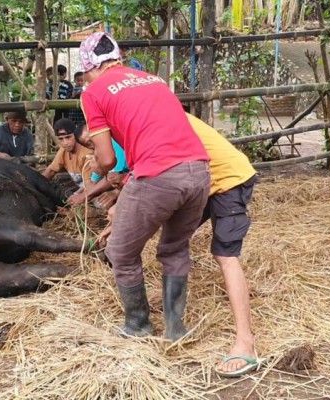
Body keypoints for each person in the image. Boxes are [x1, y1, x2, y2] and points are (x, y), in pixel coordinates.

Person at [91, 113, 259, 378]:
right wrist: (119, 221)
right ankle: (173, 328)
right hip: (196, 181)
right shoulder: (147, 117)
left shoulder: (146, 121)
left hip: (227, 179)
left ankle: (245, 342)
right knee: (171, 245)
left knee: (224, 255)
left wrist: (119, 214)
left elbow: (148, 181)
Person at [79, 32, 211, 342]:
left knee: (121, 252)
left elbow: (109, 160)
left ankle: (138, 325)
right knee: (175, 248)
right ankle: (176, 329)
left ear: (90, 67)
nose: (85, 78)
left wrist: (95, 168)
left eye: (85, 73)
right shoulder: (152, 79)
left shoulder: (93, 92)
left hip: (158, 174)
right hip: (199, 171)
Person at [42, 119, 93, 196]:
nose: (65, 143)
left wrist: (76, 196)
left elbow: (89, 186)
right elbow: (51, 171)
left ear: (75, 135)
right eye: (61, 139)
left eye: (68, 137)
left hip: (93, 191)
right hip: (81, 190)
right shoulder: (63, 151)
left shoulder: (87, 154)